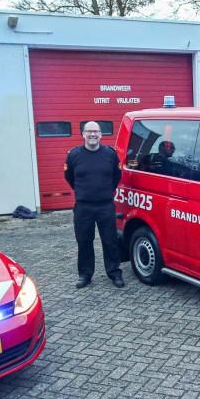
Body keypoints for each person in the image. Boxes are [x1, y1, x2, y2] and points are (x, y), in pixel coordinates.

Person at [65, 121, 124, 289]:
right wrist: (84, 192)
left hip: (105, 205)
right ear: (83, 134)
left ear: (101, 134)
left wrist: (104, 192)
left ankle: (114, 273)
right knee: (84, 241)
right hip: (83, 207)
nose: (93, 134)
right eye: (89, 131)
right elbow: (69, 177)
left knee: (110, 241)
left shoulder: (110, 154)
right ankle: (85, 275)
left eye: (96, 131)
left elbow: (116, 177)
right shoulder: (74, 155)